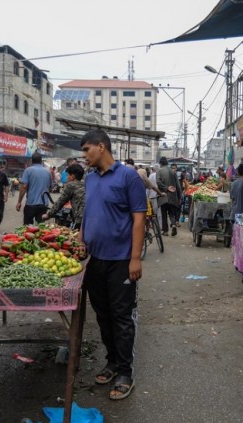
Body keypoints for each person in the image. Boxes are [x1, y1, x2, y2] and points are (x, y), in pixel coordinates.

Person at [79, 129, 145, 401]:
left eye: (87, 149)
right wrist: (82, 239)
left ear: (101, 147)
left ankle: (125, 372)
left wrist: (135, 258)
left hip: (121, 261)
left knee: (121, 316)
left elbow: (139, 219)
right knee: (102, 314)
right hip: (95, 260)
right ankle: (112, 362)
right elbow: (88, 213)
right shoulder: (90, 179)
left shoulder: (129, 176)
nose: (84, 155)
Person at [43, 163, 85, 229]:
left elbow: (61, 201)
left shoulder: (71, 185)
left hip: (80, 219)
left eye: (67, 175)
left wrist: (48, 215)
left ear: (72, 177)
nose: (67, 177)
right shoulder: (84, 184)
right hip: (89, 218)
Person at [16, 152, 51, 225]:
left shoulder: (28, 170)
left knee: (27, 227)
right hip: (43, 205)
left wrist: (19, 202)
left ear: (31, 160)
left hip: (31, 204)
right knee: (40, 227)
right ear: (41, 161)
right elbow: (50, 187)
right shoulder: (48, 172)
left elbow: (24, 187)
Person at [156, 157, 181, 236]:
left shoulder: (159, 171)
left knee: (164, 214)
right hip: (173, 196)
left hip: (163, 195)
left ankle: (165, 231)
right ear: (167, 163)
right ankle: (173, 224)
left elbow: (158, 182)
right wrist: (179, 197)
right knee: (171, 213)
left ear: (160, 163)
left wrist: (166, 188)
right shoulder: (173, 171)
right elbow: (178, 186)